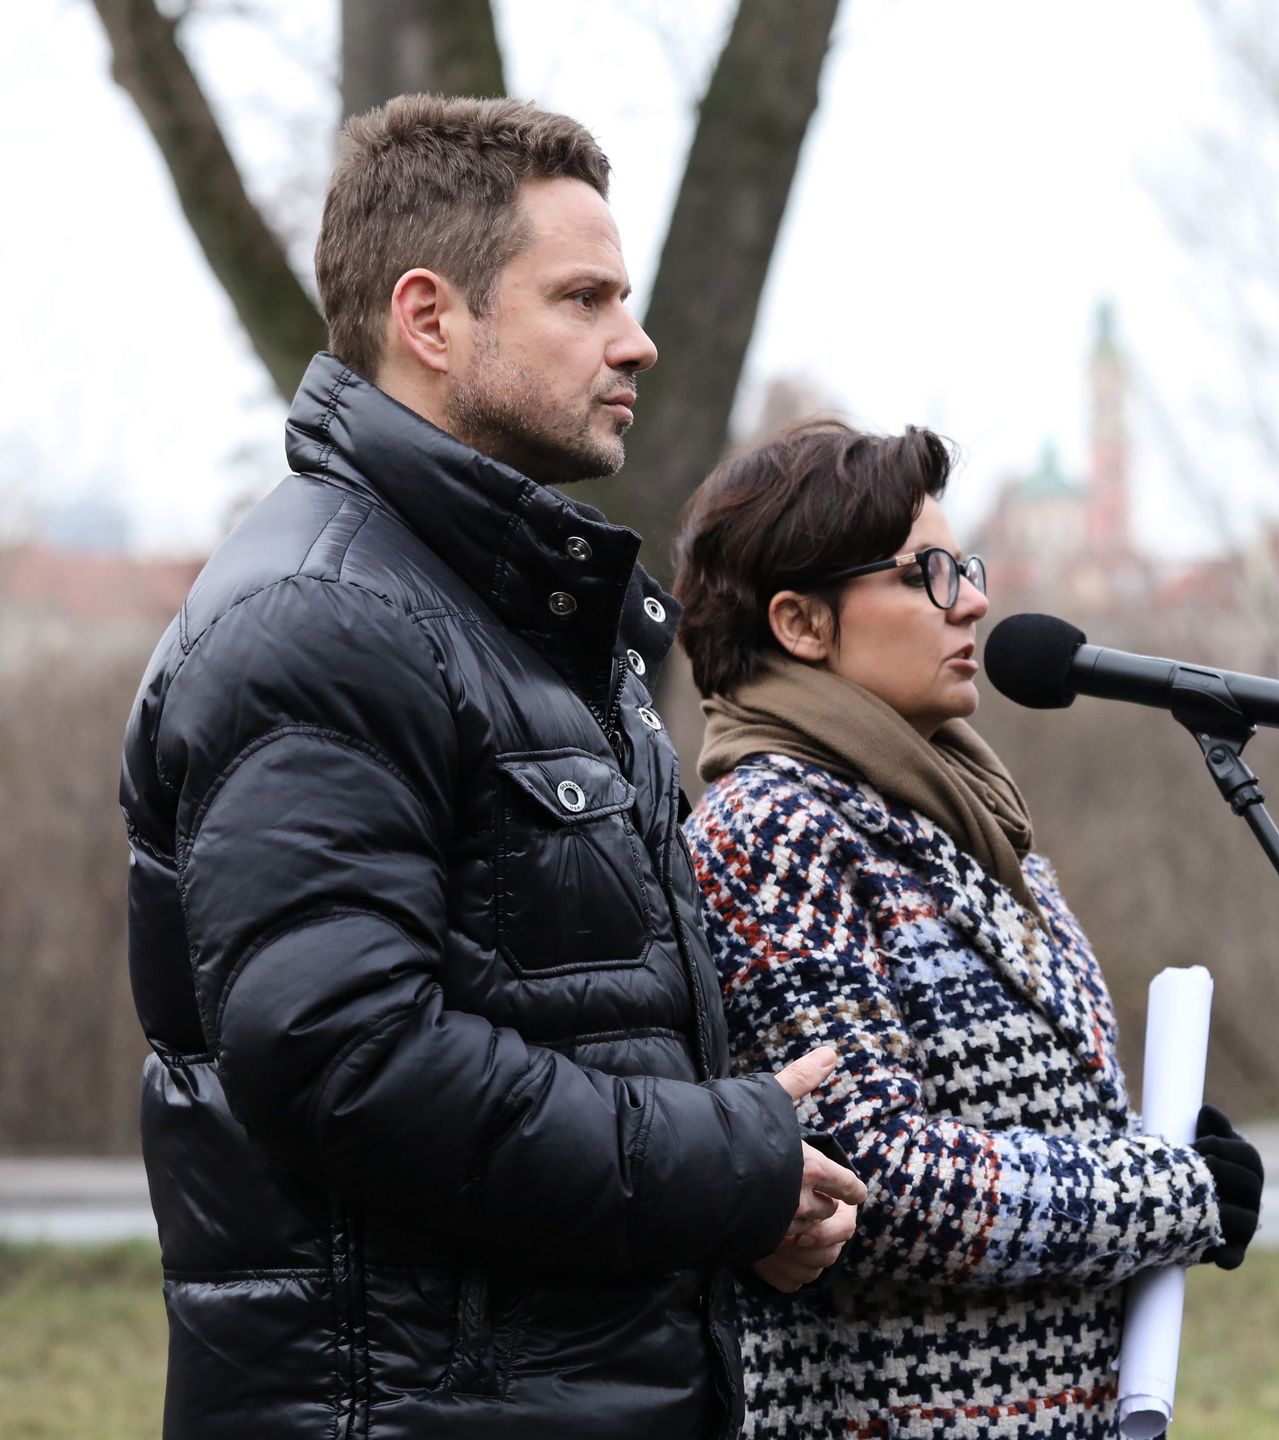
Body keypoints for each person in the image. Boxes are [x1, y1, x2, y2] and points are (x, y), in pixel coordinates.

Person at [117, 95, 863, 1440]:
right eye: (582, 299)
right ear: (430, 318)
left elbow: (583, 1032)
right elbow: (350, 1062)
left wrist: (748, 1190)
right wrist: (722, 1166)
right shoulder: (323, 621)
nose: (636, 341)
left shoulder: (523, 624)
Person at [675, 420, 1267, 1437]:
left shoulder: (961, 810)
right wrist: (1170, 1189)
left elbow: (1018, 1118)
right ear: (801, 623)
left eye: (967, 566)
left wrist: (1151, 1143)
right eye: (928, 575)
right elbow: (872, 1176)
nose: (977, 601)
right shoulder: (773, 828)